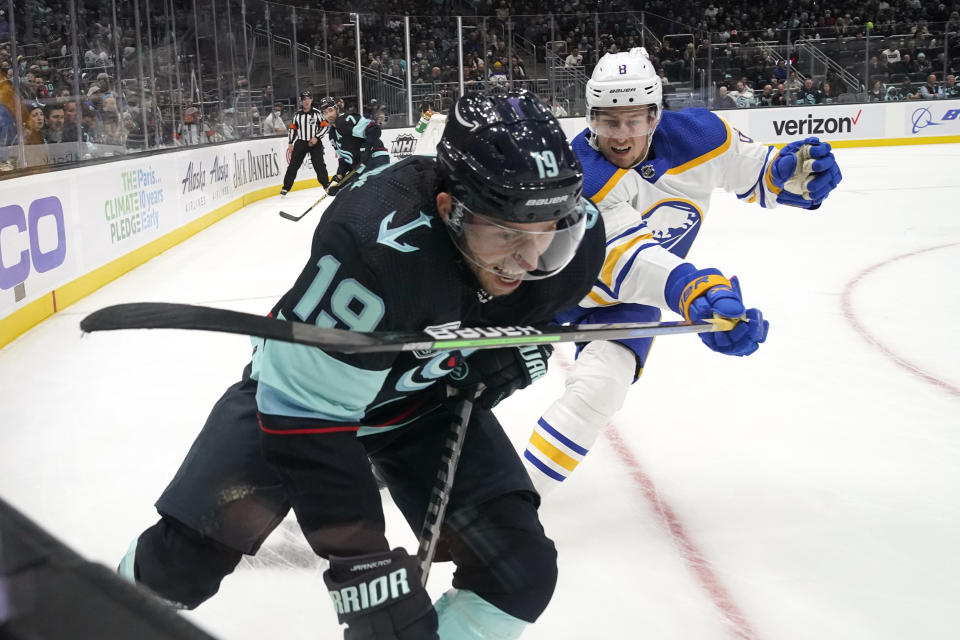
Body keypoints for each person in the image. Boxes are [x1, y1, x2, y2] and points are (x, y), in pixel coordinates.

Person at [117, 89, 607, 639]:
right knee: (180, 565)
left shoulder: (573, 238)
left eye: (547, 234)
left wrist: (513, 346)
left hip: (424, 407)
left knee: (519, 571)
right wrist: (364, 572)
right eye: (508, 234)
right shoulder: (374, 245)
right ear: (449, 208)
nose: (530, 259)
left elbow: (566, 296)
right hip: (300, 406)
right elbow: (308, 423)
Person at [521, 47, 842, 495]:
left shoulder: (699, 136)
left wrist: (794, 175)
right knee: (473, 373)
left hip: (629, 299)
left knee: (601, 388)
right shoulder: (580, 173)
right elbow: (623, 258)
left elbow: (757, 172)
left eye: (634, 121)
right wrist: (695, 290)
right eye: (608, 121)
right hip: (551, 286)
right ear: (590, 119)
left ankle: (516, 500)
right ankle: (397, 441)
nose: (620, 135)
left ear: (655, 115)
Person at [324, 96, 390, 196]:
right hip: (361, 167)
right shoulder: (332, 134)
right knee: (352, 198)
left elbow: (374, 129)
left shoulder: (344, 120)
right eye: (325, 112)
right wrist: (339, 178)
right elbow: (343, 159)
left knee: (372, 197)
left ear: (337, 109)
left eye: (330, 110)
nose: (328, 115)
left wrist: (367, 146)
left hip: (375, 158)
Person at [280, 91, 329, 196]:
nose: (306, 101)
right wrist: (290, 142)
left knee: (319, 165)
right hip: (301, 142)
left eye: (308, 99)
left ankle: (326, 185)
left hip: (315, 143)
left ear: (311, 100)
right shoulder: (297, 115)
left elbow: (325, 126)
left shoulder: (317, 113)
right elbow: (292, 129)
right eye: (304, 99)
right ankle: (286, 187)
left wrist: (316, 137)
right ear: (301, 101)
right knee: (293, 165)